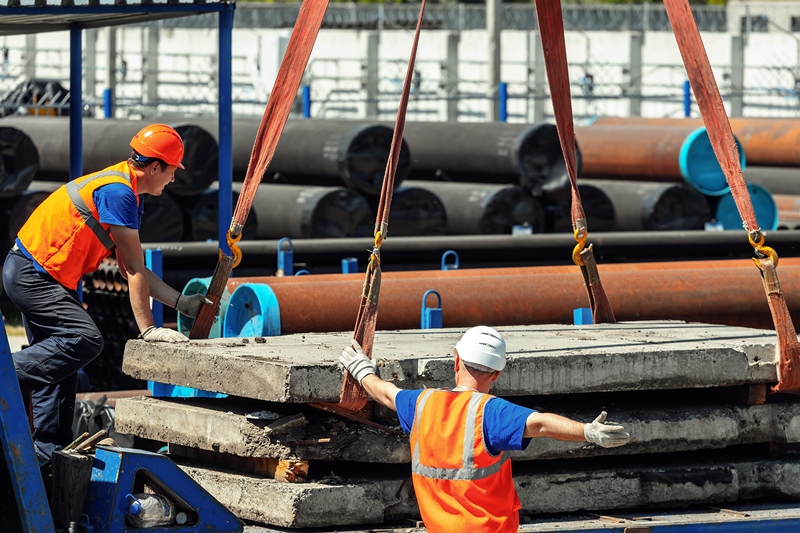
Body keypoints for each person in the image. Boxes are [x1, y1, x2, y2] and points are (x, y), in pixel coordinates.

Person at [2, 124, 211, 464]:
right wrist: (148, 329)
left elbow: (135, 265)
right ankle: (4, 376)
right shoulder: (118, 192)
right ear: (155, 166)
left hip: (43, 275)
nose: (173, 179)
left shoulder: (126, 189)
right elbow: (132, 268)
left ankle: (46, 457)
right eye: (173, 171)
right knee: (84, 339)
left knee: (59, 372)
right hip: (33, 275)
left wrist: (180, 303)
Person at [339, 325, 630, 533]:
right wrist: (587, 432)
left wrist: (362, 370)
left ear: (456, 360)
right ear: (497, 372)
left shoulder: (422, 403)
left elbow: (386, 393)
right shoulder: (491, 413)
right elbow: (541, 423)